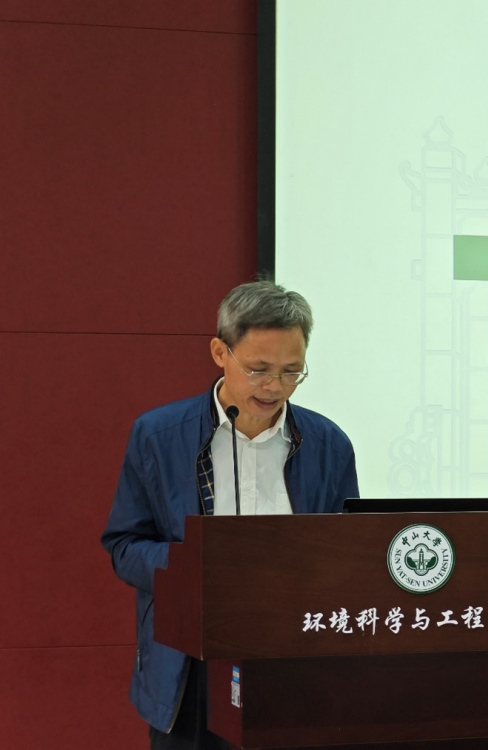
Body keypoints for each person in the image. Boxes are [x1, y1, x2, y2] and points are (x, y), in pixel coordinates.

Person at [101, 280, 359, 749]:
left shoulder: (329, 444)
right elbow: (124, 546)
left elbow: (349, 550)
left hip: (295, 663)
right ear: (220, 352)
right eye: (259, 369)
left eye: (292, 372)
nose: (275, 387)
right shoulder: (158, 436)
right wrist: (198, 566)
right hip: (189, 668)